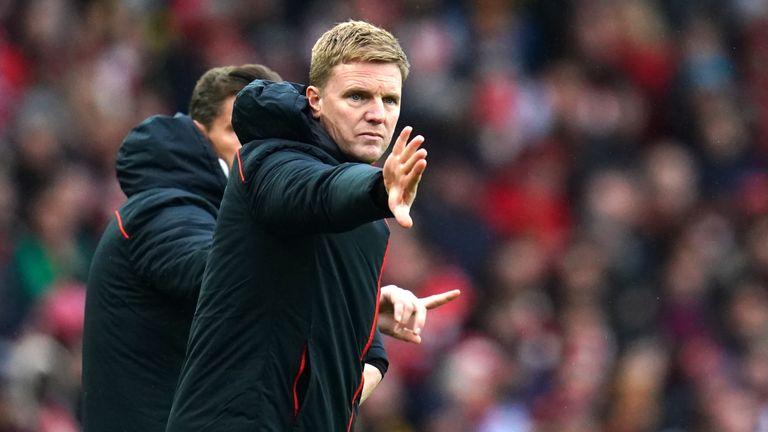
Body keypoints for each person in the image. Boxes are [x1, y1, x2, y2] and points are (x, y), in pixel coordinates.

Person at [166, 20, 445, 431]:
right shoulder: (267, 162)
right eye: (357, 96)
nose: (377, 114)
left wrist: (367, 320)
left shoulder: (366, 220)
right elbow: (316, 191)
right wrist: (377, 188)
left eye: (390, 99)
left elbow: (331, 370)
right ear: (315, 100)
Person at [80, 64, 283, 431]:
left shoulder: (214, 214)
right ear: (200, 136)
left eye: (272, 134)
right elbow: (218, 274)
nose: (258, 148)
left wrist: (357, 307)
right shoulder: (162, 210)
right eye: (241, 131)